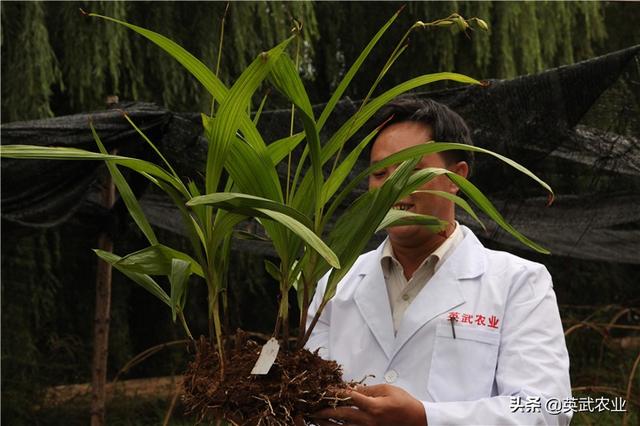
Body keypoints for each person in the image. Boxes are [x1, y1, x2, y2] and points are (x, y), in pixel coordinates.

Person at [306, 97, 572, 425]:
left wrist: (426, 418)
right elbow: (311, 401)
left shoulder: (518, 283)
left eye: (411, 170)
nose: (391, 185)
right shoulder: (336, 284)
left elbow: (546, 409)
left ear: (456, 179)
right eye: (379, 172)